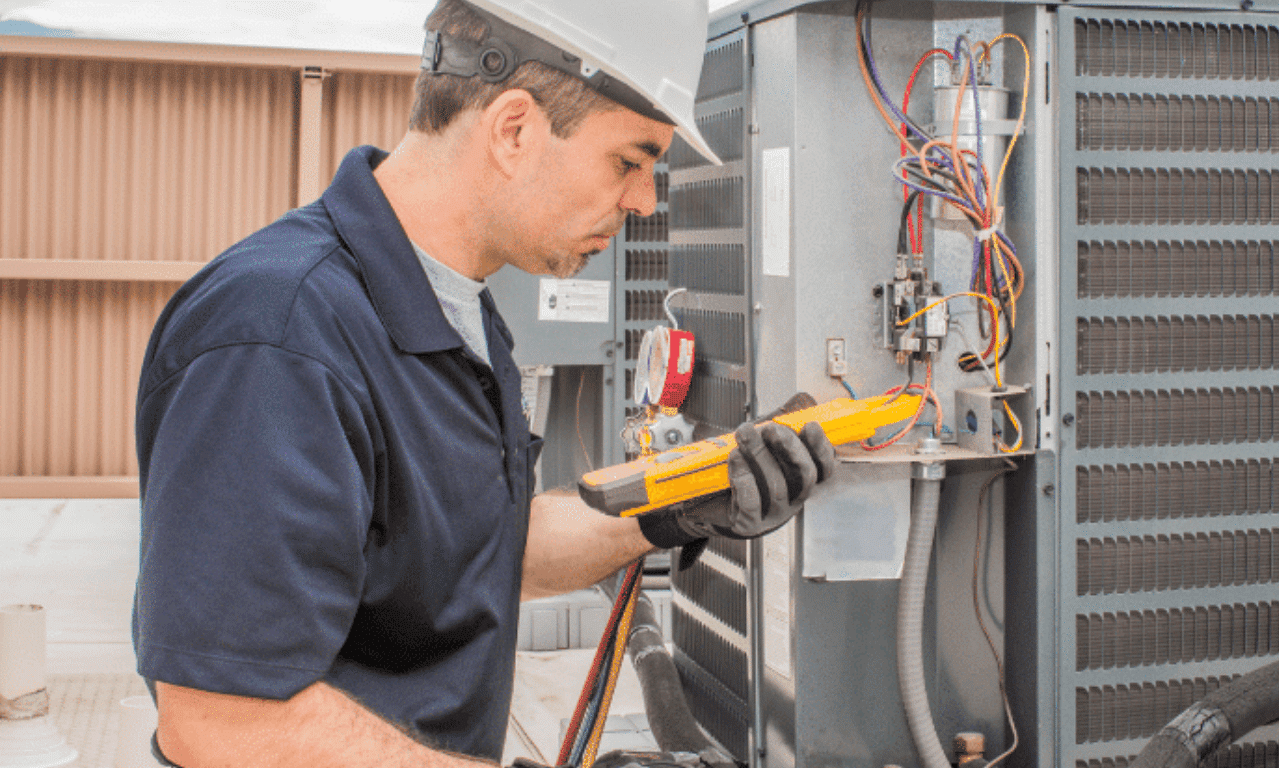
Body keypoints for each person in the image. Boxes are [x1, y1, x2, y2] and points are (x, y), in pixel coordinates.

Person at [132, 1, 837, 766]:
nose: (643, 201)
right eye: (629, 162)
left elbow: (480, 558)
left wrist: (683, 501)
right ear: (513, 129)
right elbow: (226, 722)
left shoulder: (458, 312)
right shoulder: (279, 335)